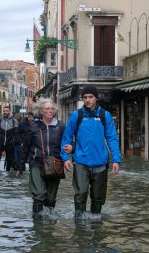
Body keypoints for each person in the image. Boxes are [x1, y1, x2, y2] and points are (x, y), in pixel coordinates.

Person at [60, 86, 121, 217]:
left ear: (96, 98)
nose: (87, 100)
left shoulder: (105, 115)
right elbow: (66, 138)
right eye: (85, 97)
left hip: (101, 162)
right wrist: (65, 158)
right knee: (80, 193)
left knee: (98, 197)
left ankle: (96, 223)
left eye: (90, 97)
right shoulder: (77, 116)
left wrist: (116, 159)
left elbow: (112, 139)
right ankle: (80, 223)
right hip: (81, 162)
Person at [22, 98, 65, 218]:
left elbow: (67, 144)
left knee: (50, 199)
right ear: (41, 111)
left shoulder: (61, 126)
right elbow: (26, 145)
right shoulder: (33, 126)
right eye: (47, 108)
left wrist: (70, 153)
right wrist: (21, 164)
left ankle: (49, 225)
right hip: (36, 163)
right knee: (39, 195)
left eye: (52, 108)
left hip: (55, 164)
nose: (50, 111)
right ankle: (37, 223)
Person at [0, 106, 18, 172]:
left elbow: (16, 133)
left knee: (9, 160)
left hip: (10, 143)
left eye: (6, 111)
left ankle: (8, 173)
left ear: (9, 111)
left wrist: (14, 141)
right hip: (0, 142)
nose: (5, 112)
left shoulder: (14, 121)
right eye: (4, 111)